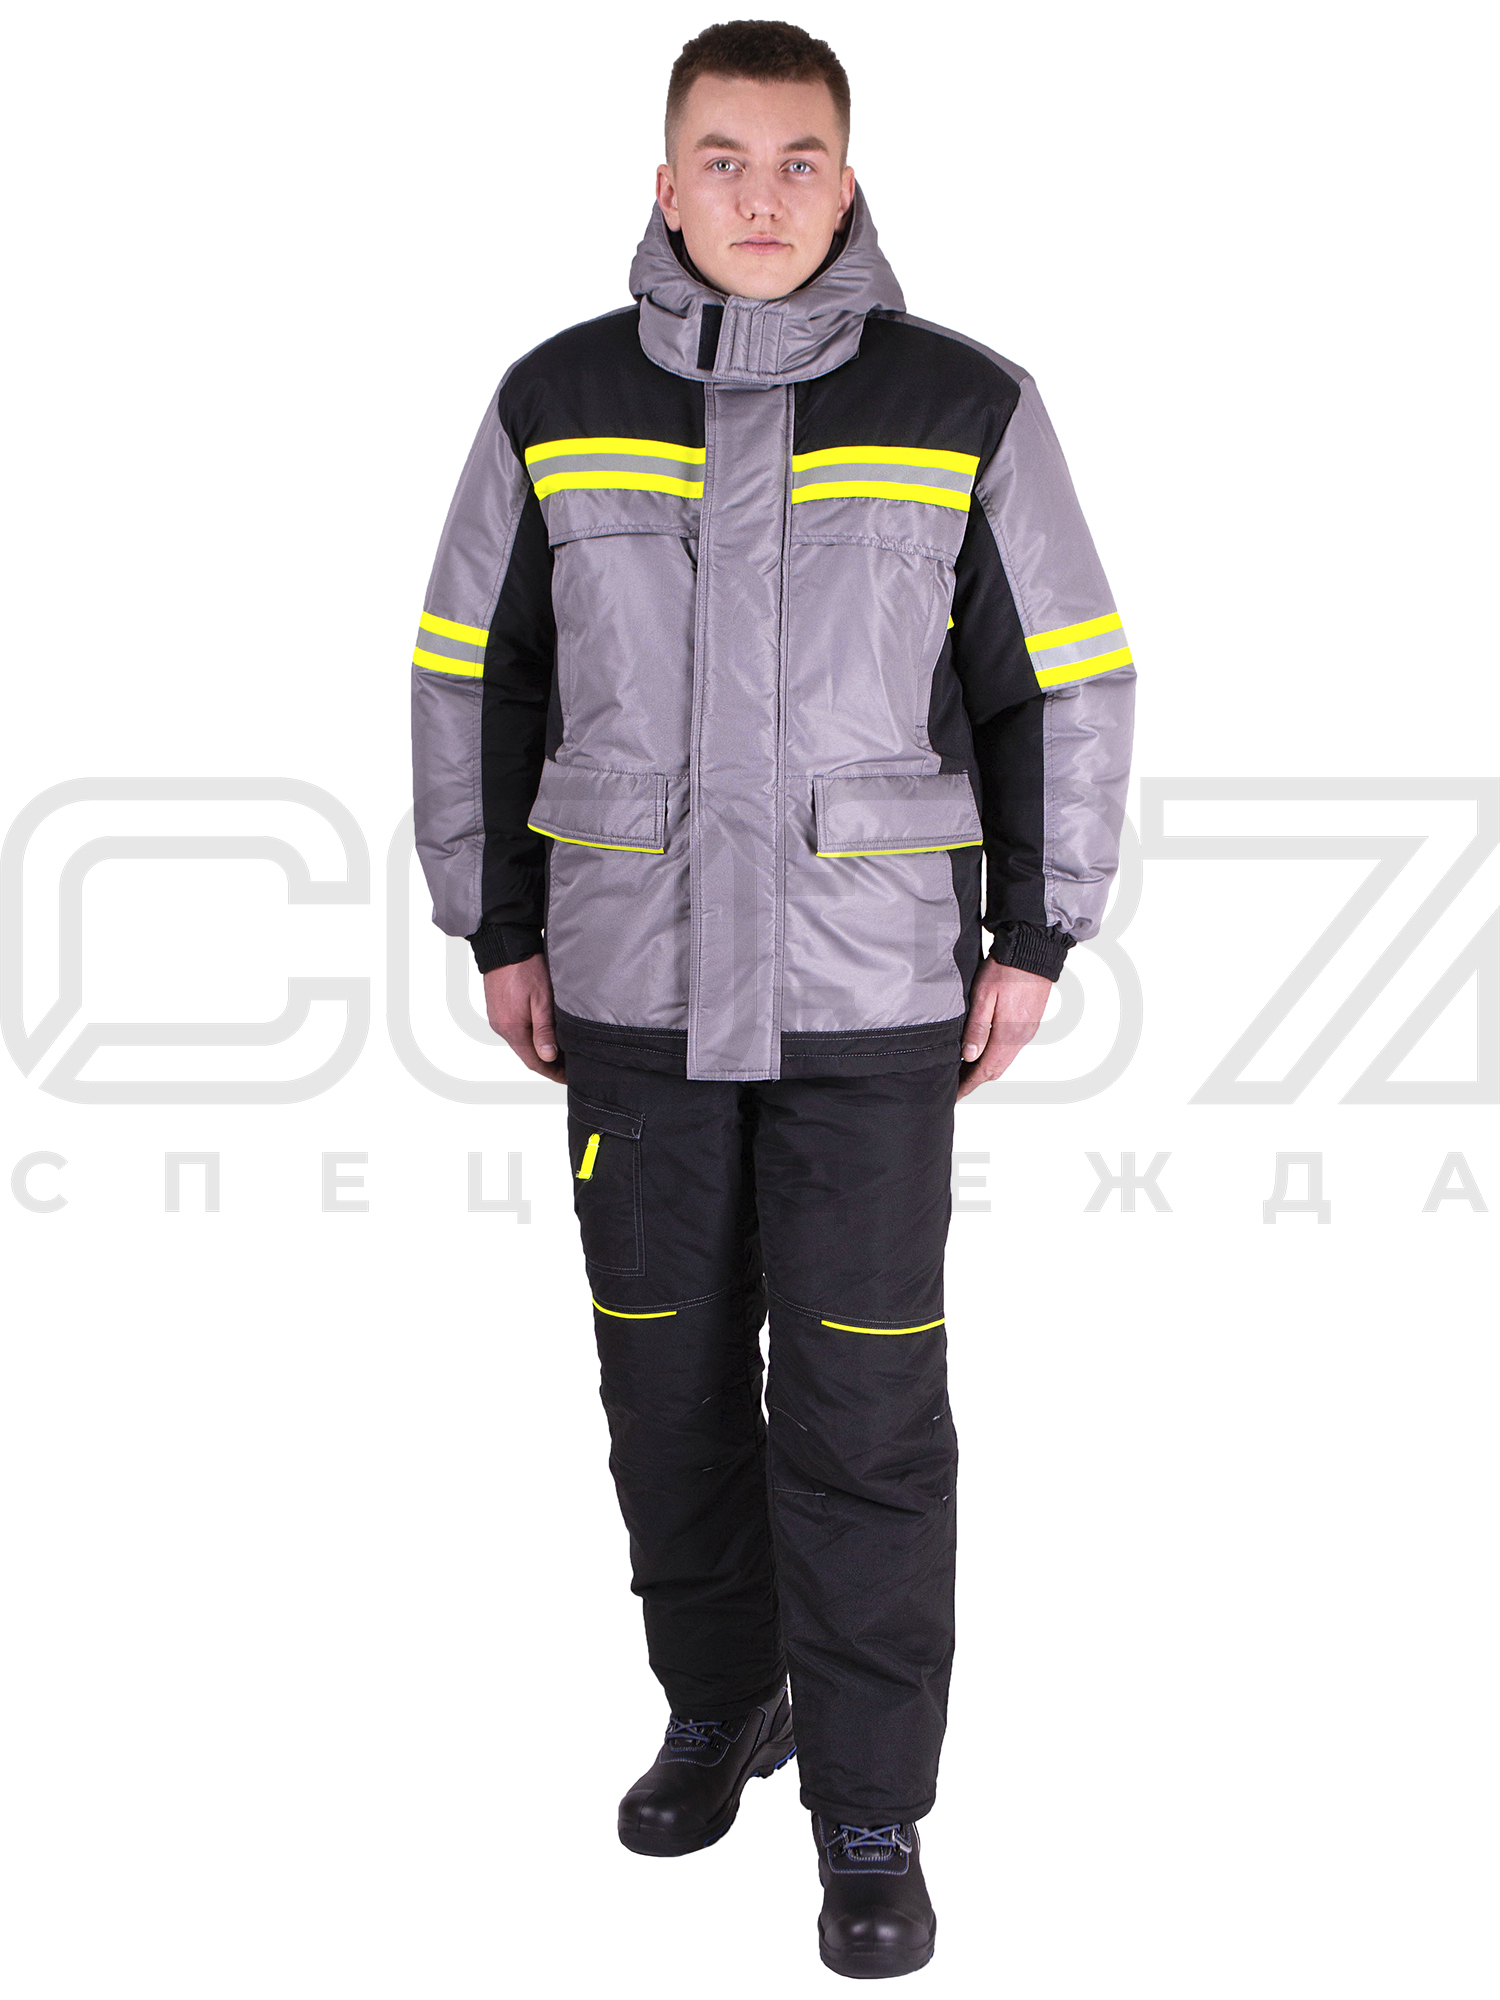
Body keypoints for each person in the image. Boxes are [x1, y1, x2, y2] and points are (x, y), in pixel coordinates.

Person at [409, 19, 1134, 1980]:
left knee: (863, 1404)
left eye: (797, 158)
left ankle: (872, 1805)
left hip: (871, 995)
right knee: (661, 1385)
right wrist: (495, 922)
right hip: (629, 984)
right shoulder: (556, 397)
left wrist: (1040, 935)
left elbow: (1061, 681)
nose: (759, 193)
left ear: (850, 179)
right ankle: (723, 1699)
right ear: (664, 183)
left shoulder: (964, 402)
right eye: (721, 159)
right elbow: (476, 672)